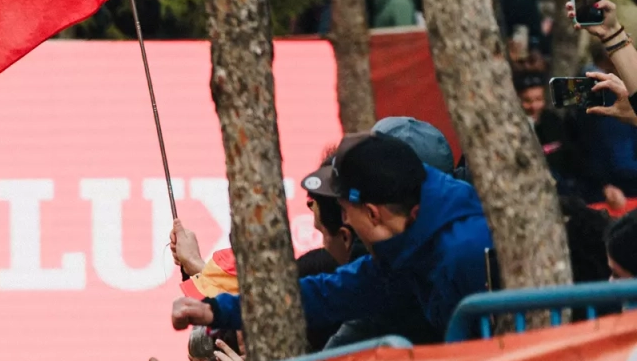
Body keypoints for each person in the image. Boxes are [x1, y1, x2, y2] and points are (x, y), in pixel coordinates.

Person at [172, 133, 492, 345]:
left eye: (343, 210)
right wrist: (217, 311)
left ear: (372, 214)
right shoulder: (408, 244)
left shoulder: (466, 253)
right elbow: (323, 294)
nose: (344, 224)